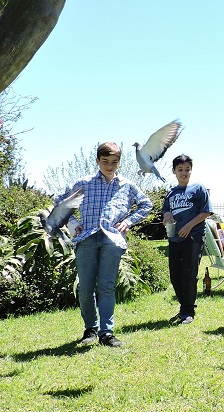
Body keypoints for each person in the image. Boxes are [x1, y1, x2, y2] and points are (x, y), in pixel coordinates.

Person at [56, 142, 153, 348]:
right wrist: (72, 222)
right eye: (105, 161)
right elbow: (60, 200)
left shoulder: (126, 185)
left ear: (119, 162)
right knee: (85, 288)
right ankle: (90, 329)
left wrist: (128, 221)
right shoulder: (84, 183)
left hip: (112, 240)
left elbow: (146, 204)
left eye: (114, 162)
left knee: (107, 287)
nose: (110, 166)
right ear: (98, 161)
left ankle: (106, 332)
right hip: (87, 239)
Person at [162, 154, 211, 325]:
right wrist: (166, 215)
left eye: (187, 169)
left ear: (191, 170)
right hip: (174, 239)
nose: (184, 173)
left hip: (193, 237)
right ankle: (183, 308)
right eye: (180, 170)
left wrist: (189, 226)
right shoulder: (171, 193)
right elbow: (166, 212)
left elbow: (205, 212)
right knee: (175, 275)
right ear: (174, 171)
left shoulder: (198, 188)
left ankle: (188, 311)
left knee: (189, 275)